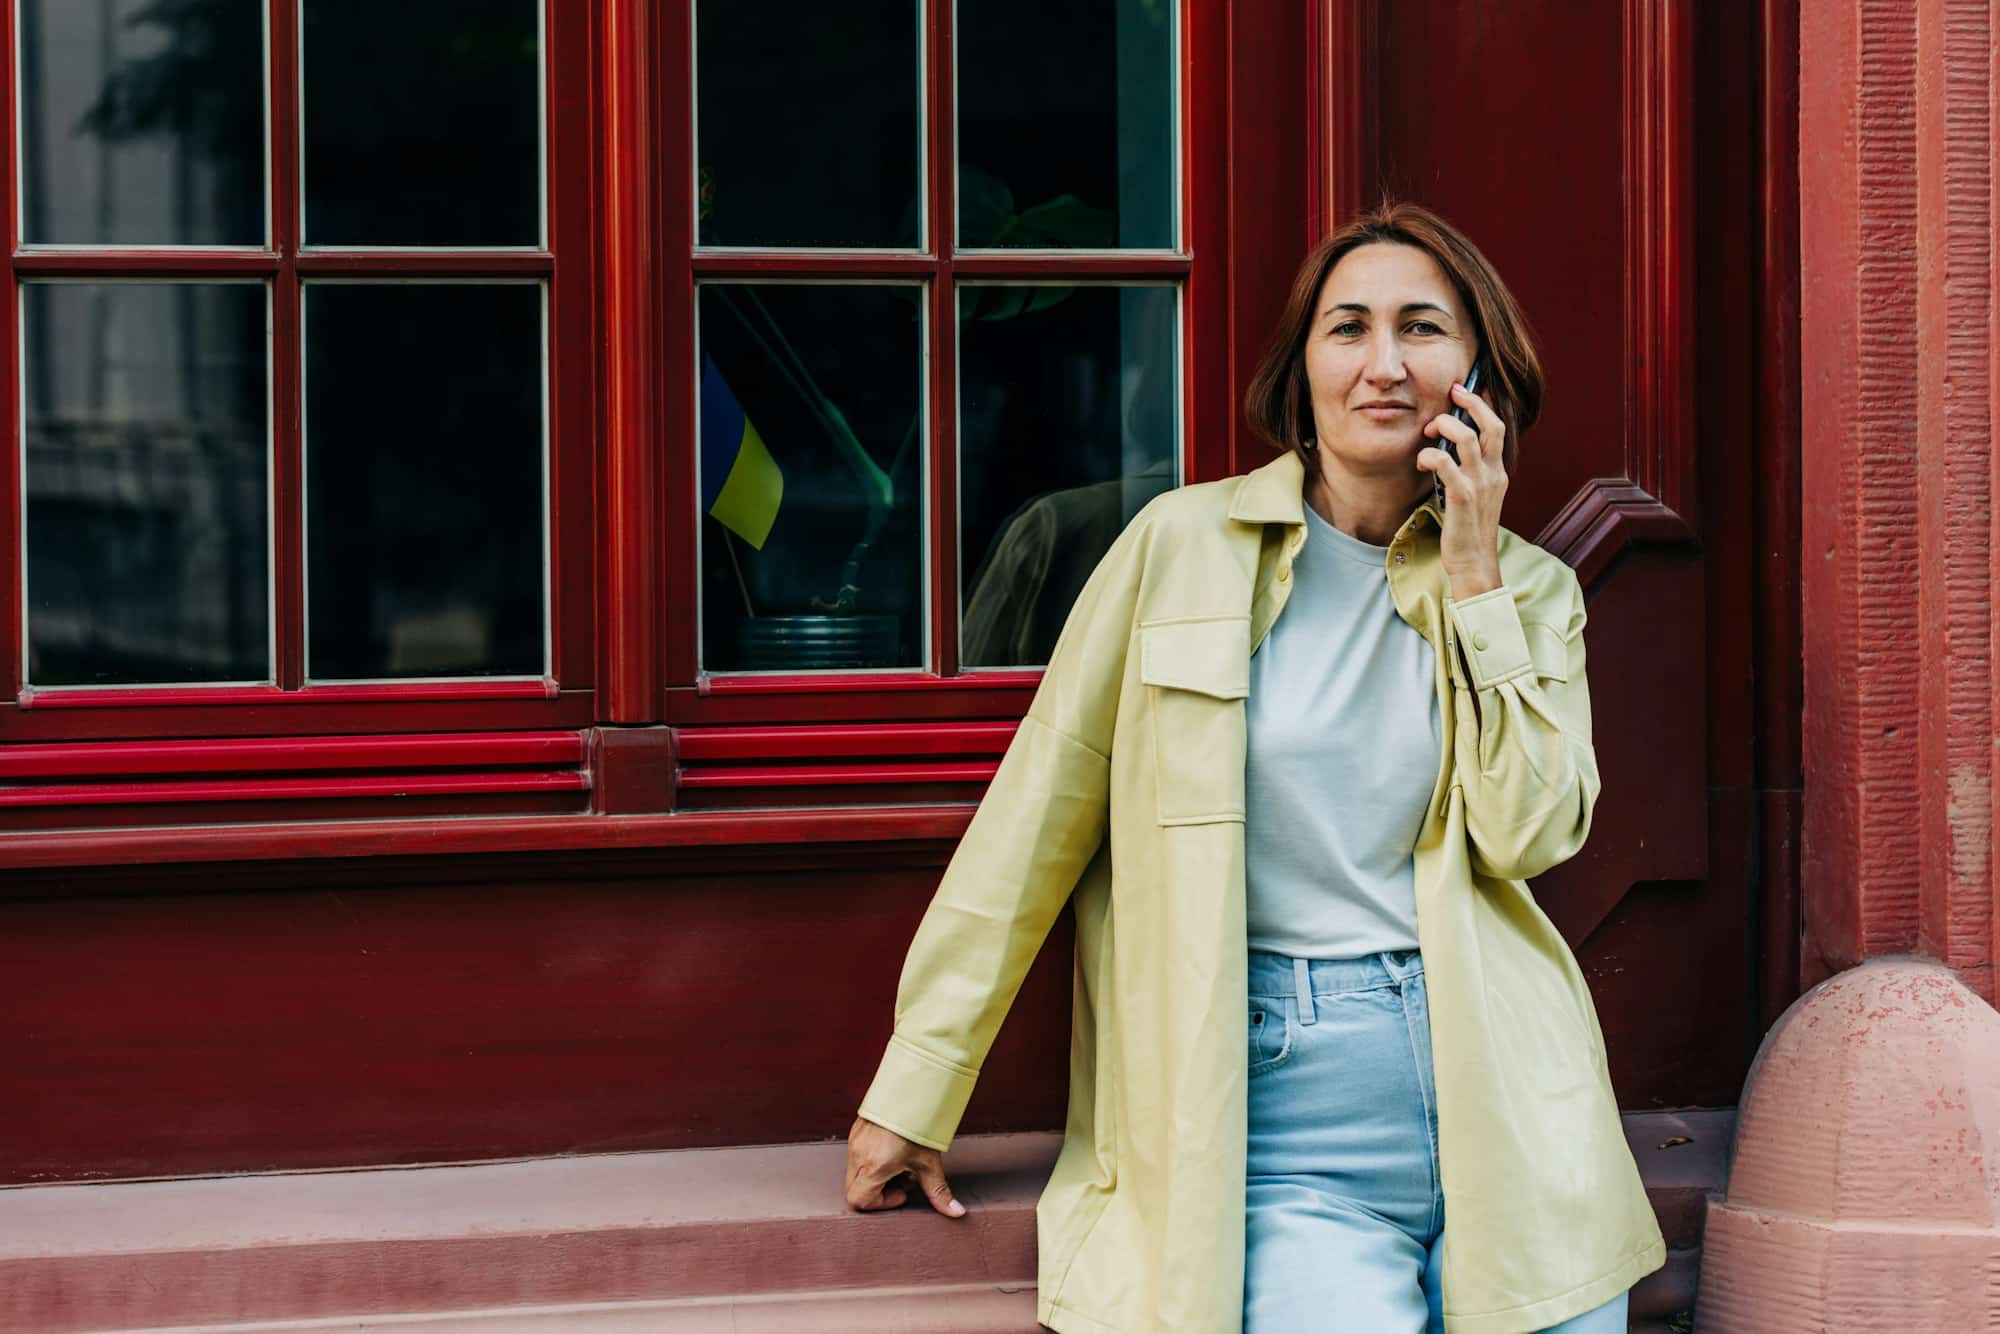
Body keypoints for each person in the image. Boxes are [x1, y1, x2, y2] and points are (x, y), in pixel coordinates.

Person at [842, 201, 1664, 1334]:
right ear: (1303, 364)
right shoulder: (1175, 550)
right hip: (1280, 1121)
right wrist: (918, 1083)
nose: (1383, 364)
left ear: (1475, 371)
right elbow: (1034, 824)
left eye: (1421, 328)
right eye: (1348, 328)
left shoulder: (1526, 589)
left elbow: (1529, 831)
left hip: (1511, 1098)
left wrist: (1473, 582)